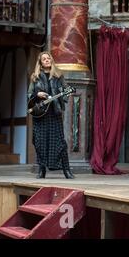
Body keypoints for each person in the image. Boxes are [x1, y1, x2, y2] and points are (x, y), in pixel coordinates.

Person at [27, 51, 74, 179]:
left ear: (51, 60)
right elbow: (28, 95)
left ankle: (67, 170)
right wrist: (37, 95)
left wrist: (63, 95)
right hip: (40, 115)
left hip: (54, 113)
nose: (47, 60)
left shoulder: (58, 76)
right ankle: (41, 170)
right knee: (40, 143)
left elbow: (67, 92)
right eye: (44, 59)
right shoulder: (35, 77)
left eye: (48, 58)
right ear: (40, 62)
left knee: (60, 143)